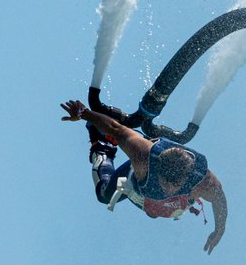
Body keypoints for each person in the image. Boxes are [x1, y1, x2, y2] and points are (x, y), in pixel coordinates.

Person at [60, 99, 227, 253]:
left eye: (173, 186)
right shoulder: (143, 157)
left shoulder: (201, 180)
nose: (168, 189)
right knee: (104, 195)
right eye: (166, 184)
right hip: (138, 181)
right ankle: (103, 147)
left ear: (186, 179)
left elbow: (219, 197)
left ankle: (146, 135)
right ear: (158, 170)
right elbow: (114, 128)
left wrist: (219, 229)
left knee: (158, 211)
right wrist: (83, 113)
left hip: (166, 191)